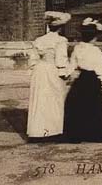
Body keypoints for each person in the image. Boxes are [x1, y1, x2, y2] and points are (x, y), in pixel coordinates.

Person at [64, 18, 102, 143]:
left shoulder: (77, 48)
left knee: (78, 105)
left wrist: (67, 74)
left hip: (81, 80)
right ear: (94, 37)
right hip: (92, 80)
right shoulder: (95, 51)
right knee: (94, 106)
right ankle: (94, 133)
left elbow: (72, 65)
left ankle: (78, 132)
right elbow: (101, 69)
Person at [27, 11, 71, 142]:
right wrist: (64, 73)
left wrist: (36, 69)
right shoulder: (60, 40)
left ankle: (37, 131)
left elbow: (33, 59)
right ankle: (53, 130)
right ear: (60, 27)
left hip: (39, 71)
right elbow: (61, 60)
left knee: (40, 99)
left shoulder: (39, 40)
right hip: (52, 70)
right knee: (54, 99)